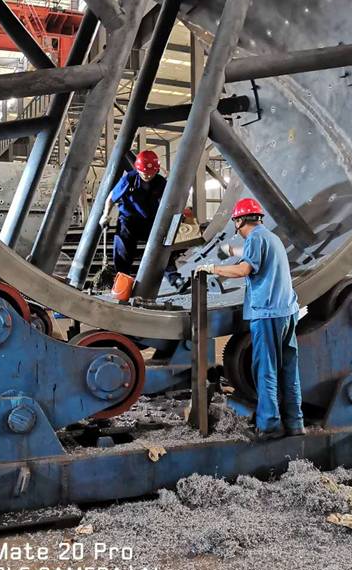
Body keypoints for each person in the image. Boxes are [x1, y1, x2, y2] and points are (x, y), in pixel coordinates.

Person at [196, 198, 305, 440]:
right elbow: (251, 256)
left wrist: (212, 269)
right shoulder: (271, 237)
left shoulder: (254, 238)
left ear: (239, 221)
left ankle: (269, 426)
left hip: (267, 314)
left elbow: (244, 269)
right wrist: (231, 251)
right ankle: (295, 423)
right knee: (289, 369)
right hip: (287, 312)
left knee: (266, 370)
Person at [99, 150, 181, 287]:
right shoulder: (129, 179)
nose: (147, 175)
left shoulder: (161, 182)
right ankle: (122, 284)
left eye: (151, 173)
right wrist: (105, 215)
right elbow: (111, 198)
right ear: (138, 169)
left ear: (156, 170)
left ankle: (175, 279)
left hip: (150, 221)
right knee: (122, 250)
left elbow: (170, 203)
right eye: (144, 172)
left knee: (162, 247)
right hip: (128, 221)